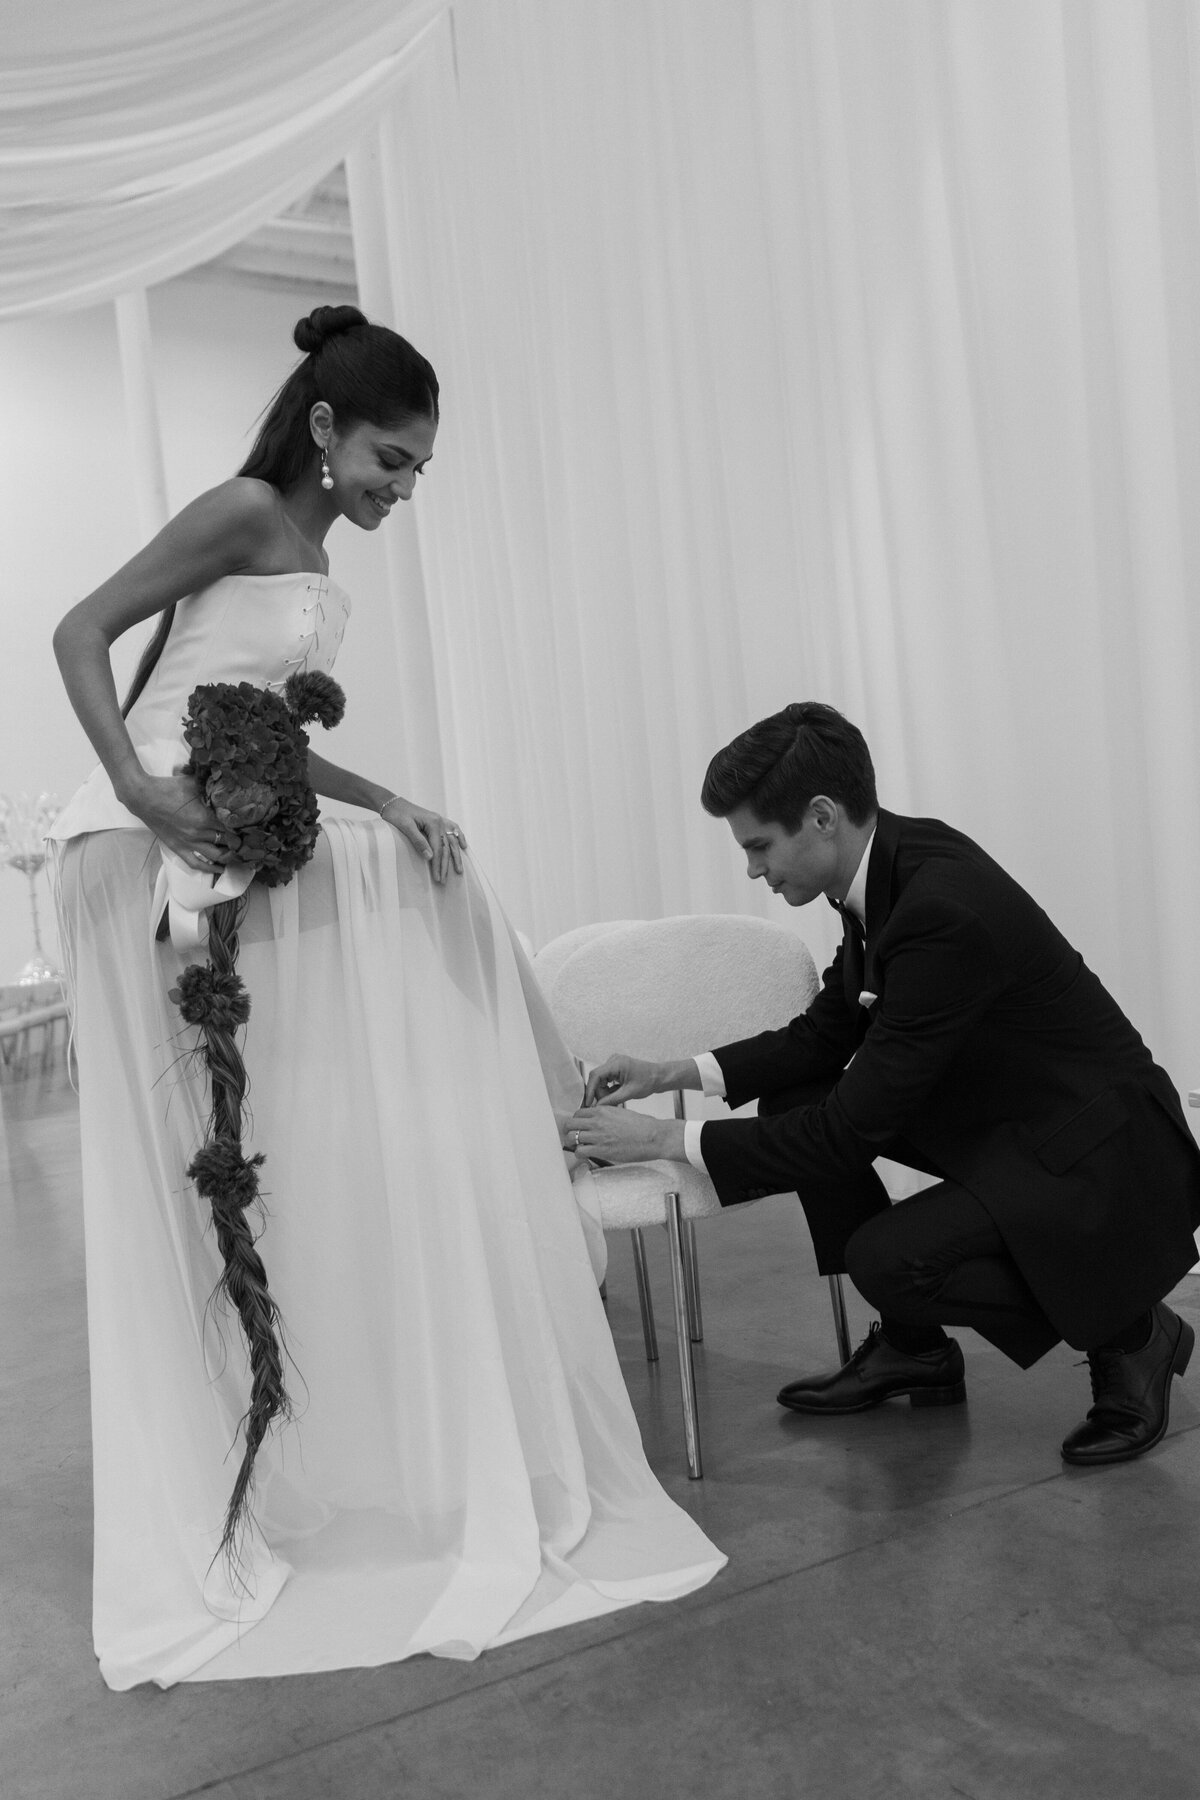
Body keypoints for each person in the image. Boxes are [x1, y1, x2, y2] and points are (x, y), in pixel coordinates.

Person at [49, 304, 723, 1690]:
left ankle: (302, 1432)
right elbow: (84, 632)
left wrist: (392, 797)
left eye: (416, 471)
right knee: (209, 1140)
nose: (401, 491)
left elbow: (275, 727)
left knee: (367, 989)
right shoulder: (243, 510)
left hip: (243, 812)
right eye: (391, 461)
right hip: (156, 841)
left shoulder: (308, 551)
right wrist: (134, 786)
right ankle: (227, 1460)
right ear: (324, 430)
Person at [565, 701, 1200, 1466]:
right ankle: (914, 1350)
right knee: (797, 1096)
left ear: (823, 817)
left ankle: (1132, 1330)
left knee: (890, 1260)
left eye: (760, 846)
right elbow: (825, 1034)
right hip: (1016, 1116)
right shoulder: (885, 868)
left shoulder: (940, 909)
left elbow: (848, 1133)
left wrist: (669, 1138)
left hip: (1096, 1150)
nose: (754, 870)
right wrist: (671, 1072)